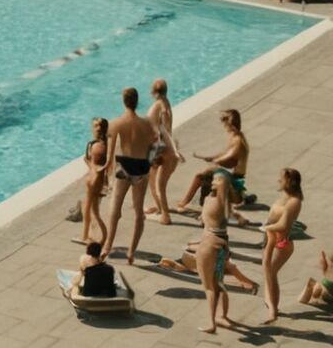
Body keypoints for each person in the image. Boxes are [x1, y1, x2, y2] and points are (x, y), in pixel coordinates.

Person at [103, 87, 159, 264]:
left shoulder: (117, 123)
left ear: (123, 101)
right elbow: (155, 147)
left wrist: (107, 175)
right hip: (142, 167)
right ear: (137, 101)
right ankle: (131, 253)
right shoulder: (147, 124)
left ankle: (107, 246)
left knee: (115, 208)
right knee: (138, 212)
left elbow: (110, 154)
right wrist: (150, 164)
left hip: (124, 166)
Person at [175, 109, 250, 220]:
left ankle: (185, 203)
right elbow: (224, 153)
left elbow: (228, 157)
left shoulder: (238, 140)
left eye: (224, 121)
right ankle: (230, 212)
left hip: (235, 184)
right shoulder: (236, 136)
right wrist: (212, 157)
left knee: (201, 176)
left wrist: (215, 160)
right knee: (208, 174)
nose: (223, 125)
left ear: (230, 123)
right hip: (232, 177)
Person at [195, 171, 237, 333]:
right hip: (222, 245)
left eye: (218, 180)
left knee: (209, 287)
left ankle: (212, 323)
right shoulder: (221, 201)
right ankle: (223, 316)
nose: (213, 181)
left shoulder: (215, 200)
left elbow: (204, 220)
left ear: (223, 184)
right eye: (214, 179)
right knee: (219, 282)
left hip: (208, 245)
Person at [261, 168, 304, 323]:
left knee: (271, 272)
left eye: (281, 178)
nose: (279, 180)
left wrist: (267, 228)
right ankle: (271, 304)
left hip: (281, 241)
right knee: (268, 271)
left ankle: (273, 310)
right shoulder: (285, 197)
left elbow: (283, 224)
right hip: (271, 237)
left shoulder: (294, 201)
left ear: (289, 181)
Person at [144, 79, 185, 224]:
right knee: (151, 179)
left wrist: (174, 150)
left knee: (159, 185)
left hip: (162, 150)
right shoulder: (165, 104)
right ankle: (160, 208)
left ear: (153, 92)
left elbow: (165, 131)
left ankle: (165, 216)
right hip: (159, 149)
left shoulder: (161, 107)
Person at [80, 117, 109, 246]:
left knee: (90, 210)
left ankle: (87, 236)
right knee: (91, 210)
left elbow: (97, 168)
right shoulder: (102, 144)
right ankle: (90, 235)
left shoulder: (97, 146)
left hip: (94, 180)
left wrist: (87, 162)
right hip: (94, 179)